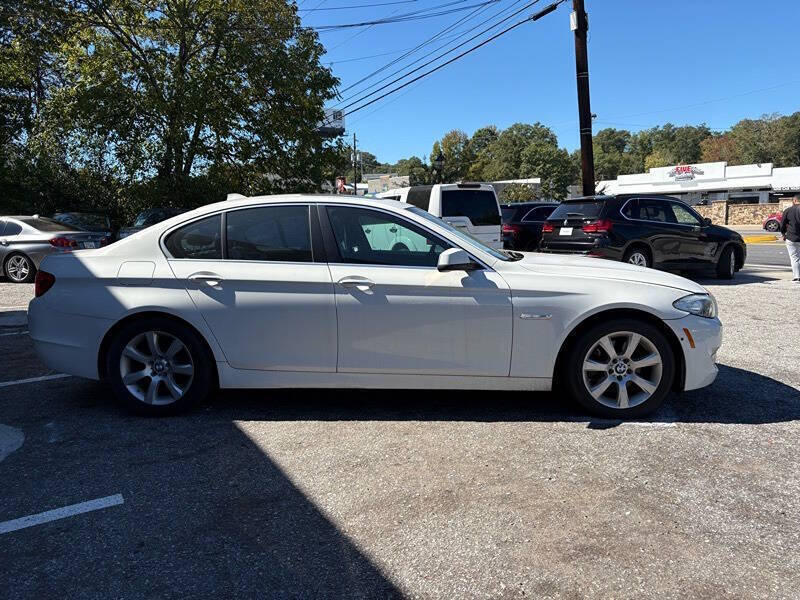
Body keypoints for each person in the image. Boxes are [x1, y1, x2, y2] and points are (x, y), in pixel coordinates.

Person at [781, 193, 800, 282]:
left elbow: (782, 225)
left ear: (795, 200)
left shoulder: (788, 210)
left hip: (792, 237)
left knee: (794, 257)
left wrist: (784, 234)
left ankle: (797, 277)